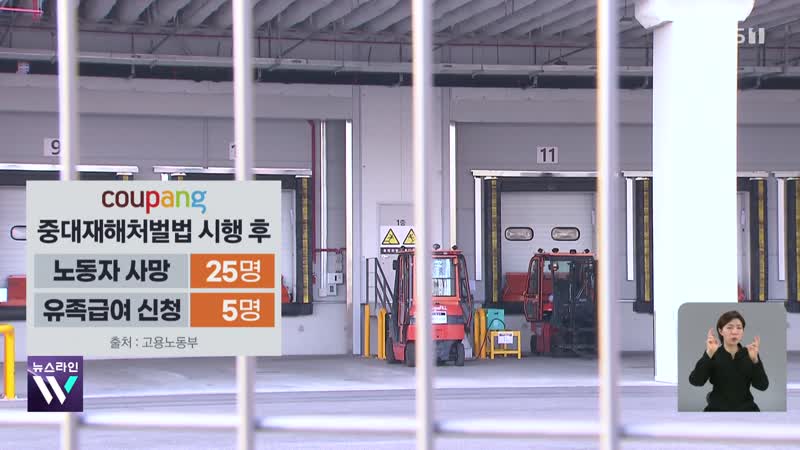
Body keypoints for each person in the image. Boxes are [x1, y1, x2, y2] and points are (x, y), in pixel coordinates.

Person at [689, 310, 769, 411]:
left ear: (743, 331)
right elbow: (696, 381)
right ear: (720, 331)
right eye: (729, 327)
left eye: (739, 328)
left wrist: (755, 360)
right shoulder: (713, 353)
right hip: (717, 410)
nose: (735, 332)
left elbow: (762, 386)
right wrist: (709, 354)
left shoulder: (749, 353)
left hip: (747, 410)